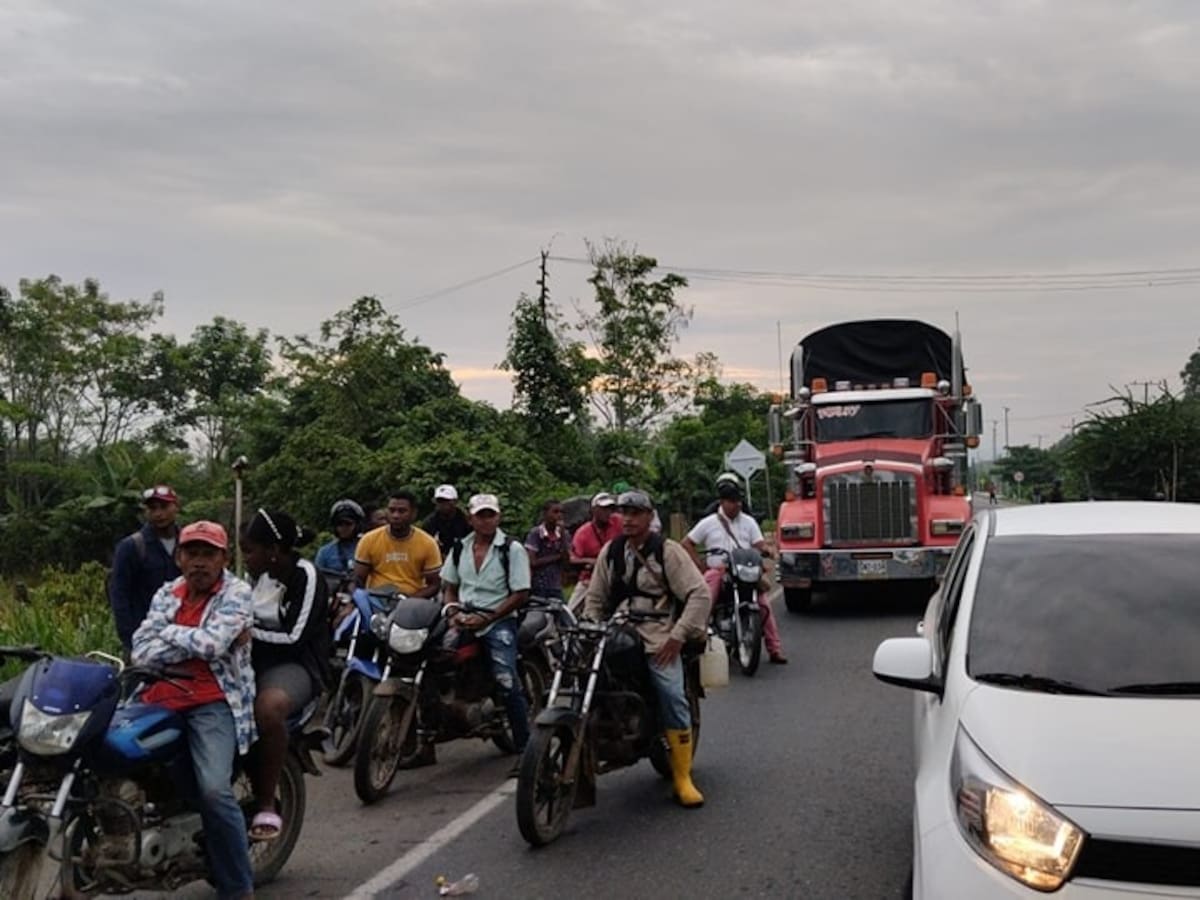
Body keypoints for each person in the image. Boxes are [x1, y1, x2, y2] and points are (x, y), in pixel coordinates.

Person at [131, 521, 255, 900]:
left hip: (212, 699)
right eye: (192, 553)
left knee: (216, 792)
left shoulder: (237, 592)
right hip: (156, 696)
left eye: (208, 554)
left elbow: (212, 645)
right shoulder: (168, 591)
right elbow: (139, 648)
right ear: (179, 557)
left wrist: (165, 632)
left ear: (223, 558)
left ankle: (238, 888)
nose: (199, 562)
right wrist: (186, 637)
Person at [582, 490, 711, 808]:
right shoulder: (611, 552)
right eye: (623, 512)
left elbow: (700, 594)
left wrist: (677, 637)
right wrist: (590, 627)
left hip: (659, 635)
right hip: (618, 630)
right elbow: (595, 598)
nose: (628, 518)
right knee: (582, 677)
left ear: (649, 516)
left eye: (635, 512)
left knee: (671, 694)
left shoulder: (668, 552)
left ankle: (682, 777)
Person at [240, 509, 332, 843]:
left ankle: (266, 802)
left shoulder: (306, 576)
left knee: (269, 706)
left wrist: (246, 635)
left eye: (250, 550)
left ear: (273, 550)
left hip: (297, 665)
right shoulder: (256, 577)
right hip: (254, 663)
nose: (246, 558)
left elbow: (296, 636)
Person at [440, 493, 532, 772]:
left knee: (506, 681)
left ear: (498, 517)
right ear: (470, 519)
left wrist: (489, 618)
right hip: (464, 617)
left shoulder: (512, 549)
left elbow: (521, 593)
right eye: (480, 515)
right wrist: (453, 612)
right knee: (433, 660)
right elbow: (449, 587)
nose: (486, 520)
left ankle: (526, 751)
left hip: (498, 620)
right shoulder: (459, 548)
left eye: (490, 514)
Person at [682, 481, 788, 665]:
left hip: (744, 570)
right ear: (722, 502)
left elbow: (759, 544)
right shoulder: (708, 523)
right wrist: (700, 566)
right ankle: (698, 640)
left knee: (763, 604)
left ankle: (775, 649)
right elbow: (687, 542)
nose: (737, 504)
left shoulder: (748, 522)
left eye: (738, 500)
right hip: (718, 570)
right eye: (732, 501)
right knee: (706, 598)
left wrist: (768, 550)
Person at [109, 484, 183, 655]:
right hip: (145, 640)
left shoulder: (188, 544)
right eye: (152, 508)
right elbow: (119, 596)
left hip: (184, 638)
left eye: (164, 507)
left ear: (176, 507)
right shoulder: (132, 547)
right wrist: (131, 641)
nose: (158, 513)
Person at [353, 490, 442, 597]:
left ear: (413, 513)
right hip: (376, 598)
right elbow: (358, 579)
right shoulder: (369, 540)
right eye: (392, 510)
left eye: (402, 511)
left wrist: (410, 600)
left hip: (411, 601)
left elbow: (434, 585)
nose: (395, 516)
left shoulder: (428, 543)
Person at [568, 492, 624, 607]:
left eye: (610, 509)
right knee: (571, 611)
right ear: (594, 510)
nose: (607, 512)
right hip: (590, 579)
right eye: (603, 509)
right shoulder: (583, 533)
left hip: (616, 577)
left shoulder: (618, 522)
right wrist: (590, 561)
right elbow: (572, 558)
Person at [524, 499, 571, 599]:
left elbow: (567, 561)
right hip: (537, 585)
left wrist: (562, 536)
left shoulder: (564, 534)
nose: (559, 515)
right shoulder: (536, 534)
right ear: (545, 514)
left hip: (555, 585)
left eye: (561, 512)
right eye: (555, 512)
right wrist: (557, 557)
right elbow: (533, 562)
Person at [314, 499, 365, 576]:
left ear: (357, 525)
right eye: (339, 524)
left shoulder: (367, 547)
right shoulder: (325, 552)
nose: (343, 528)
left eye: (348, 524)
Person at [421, 484, 472, 559]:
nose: (443, 504)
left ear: (455, 501)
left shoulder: (466, 521)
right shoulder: (429, 522)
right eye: (440, 501)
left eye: (446, 501)